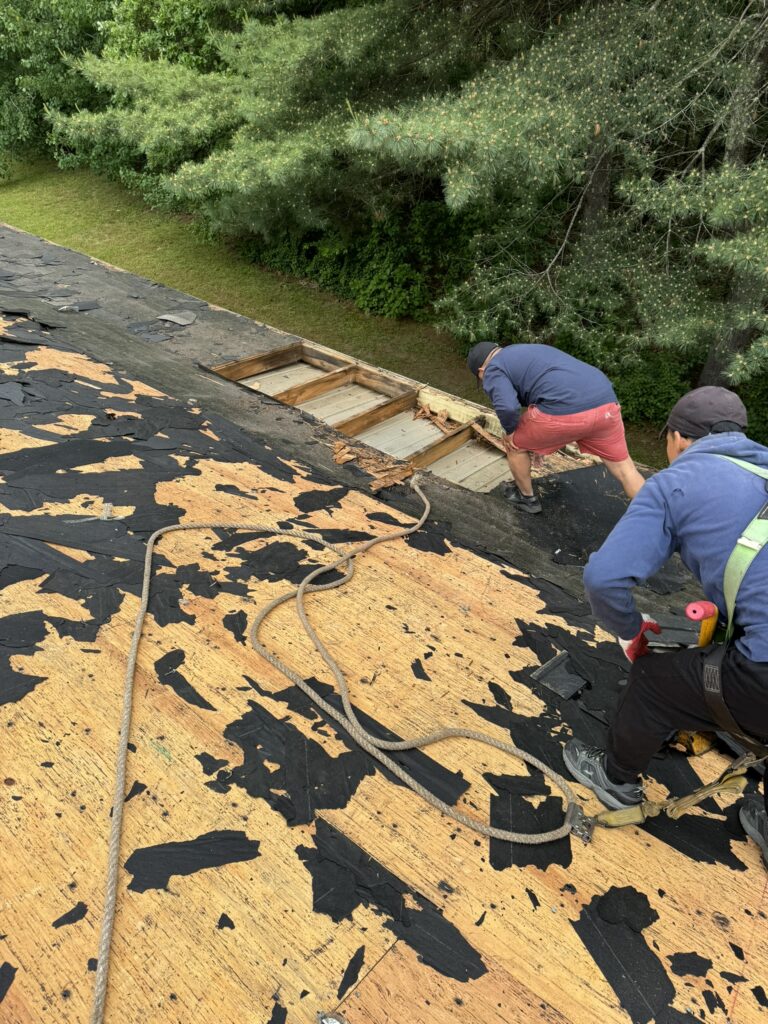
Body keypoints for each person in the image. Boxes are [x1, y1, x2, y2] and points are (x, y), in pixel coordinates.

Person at [563, 386, 768, 869]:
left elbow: (603, 578)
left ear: (677, 438)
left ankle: (615, 780)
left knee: (654, 682)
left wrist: (630, 630)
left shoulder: (677, 483)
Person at [466, 342, 644, 513]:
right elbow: (547, 387)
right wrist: (538, 442)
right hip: (606, 404)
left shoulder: (493, 368)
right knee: (626, 469)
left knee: (514, 446)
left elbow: (508, 408)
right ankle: (655, 515)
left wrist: (511, 432)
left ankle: (526, 498)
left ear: (481, 371)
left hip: (565, 409)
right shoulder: (522, 351)